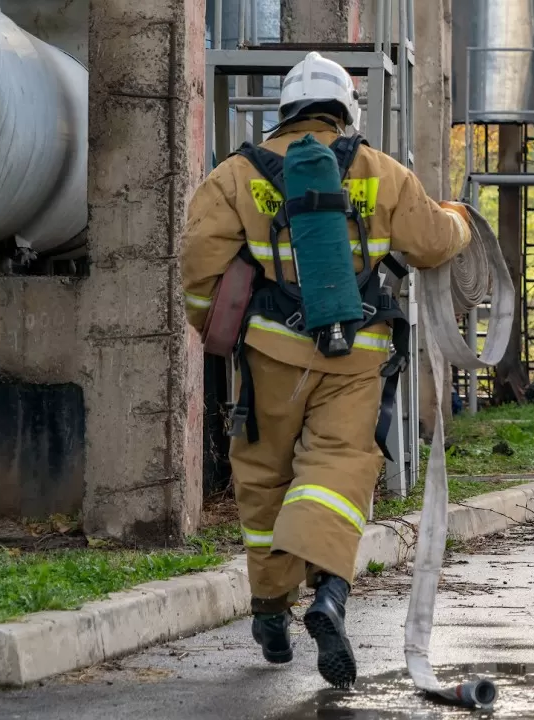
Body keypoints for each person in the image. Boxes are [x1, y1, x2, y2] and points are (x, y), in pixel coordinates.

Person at [180, 52, 472, 686]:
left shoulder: (236, 175)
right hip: (354, 357)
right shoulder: (379, 170)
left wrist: (213, 325)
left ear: (285, 109)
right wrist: (459, 220)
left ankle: (268, 610)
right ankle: (331, 597)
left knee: (263, 478)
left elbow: (199, 264)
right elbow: (431, 243)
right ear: (346, 108)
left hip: (269, 355)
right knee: (339, 471)